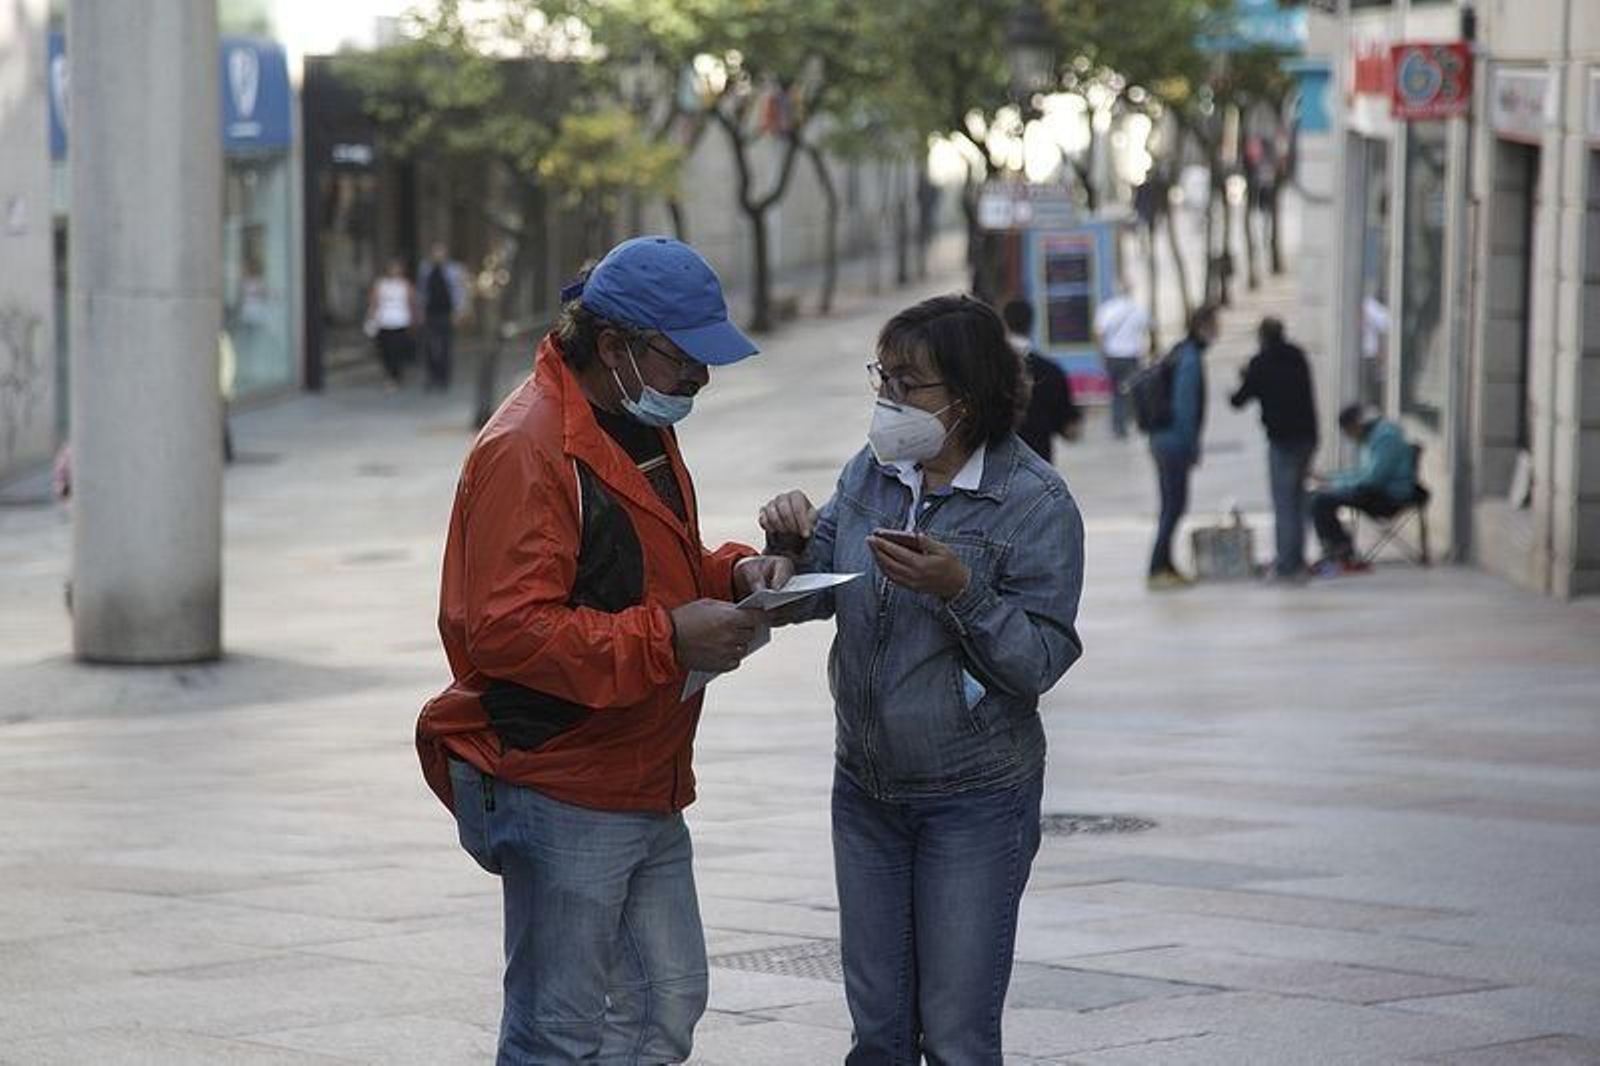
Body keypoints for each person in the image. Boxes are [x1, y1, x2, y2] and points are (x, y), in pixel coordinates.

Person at [414, 236, 791, 1064]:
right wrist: (668, 637)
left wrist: (735, 576)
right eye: (685, 358)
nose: (700, 378)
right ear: (615, 346)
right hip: (565, 779)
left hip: (641, 768)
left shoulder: (625, 421)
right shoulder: (529, 447)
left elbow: (644, 567)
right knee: (559, 1029)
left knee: (663, 1005)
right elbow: (508, 630)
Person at [758, 294, 1085, 1066]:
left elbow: (1039, 660)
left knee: (958, 1036)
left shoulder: (1034, 502)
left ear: (966, 398)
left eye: (909, 384)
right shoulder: (871, 473)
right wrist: (782, 553)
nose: (888, 400)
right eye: (884, 378)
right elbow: (823, 580)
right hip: (867, 788)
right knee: (877, 1036)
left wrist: (959, 589)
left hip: (974, 801)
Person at [1229, 317, 1318, 580]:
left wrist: (1245, 377)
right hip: (1307, 437)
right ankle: (1297, 558)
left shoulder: (1261, 363)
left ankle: (1287, 564)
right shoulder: (1297, 356)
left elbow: (1239, 399)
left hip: (1282, 440)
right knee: (1299, 500)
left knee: (1284, 502)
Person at [1147, 304, 1220, 590]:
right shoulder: (1190, 359)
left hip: (1163, 440)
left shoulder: (1181, 352)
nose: (1217, 331)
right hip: (1173, 443)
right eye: (1214, 324)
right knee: (1173, 506)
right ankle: (1157, 566)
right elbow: (1186, 408)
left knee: (1172, 505)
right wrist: (1190, 448)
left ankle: (1166, 564)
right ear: (1202, 326)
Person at [1309, 404, 1419, 573]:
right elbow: (1362, 474)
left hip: (1389, 496)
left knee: (1322, 500)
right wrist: (1330, 480)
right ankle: (1338, 549)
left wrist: (1334, 485)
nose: (1350, 439)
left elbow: (1373, 479)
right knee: (1318, 496)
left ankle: (1342, 552)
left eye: (1349, 433)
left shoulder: (1386, 438)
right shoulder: (1370, 439)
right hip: (1374, 491)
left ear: (1355, 426)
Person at [1002, 298, 1081, 465]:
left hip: (995, 469)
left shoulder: (988, 367)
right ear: (1031, 323)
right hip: (1039, 465)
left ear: (1004, 324)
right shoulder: (1050, 370)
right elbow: (1070, 432)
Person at [1092, 285, 1151, 439]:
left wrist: (1101, 355)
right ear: (1130, 291)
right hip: (1132, 356)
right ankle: (1130, 420)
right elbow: (1146, 329)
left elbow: (1099, 334)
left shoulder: (1107, 308)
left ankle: (1118, 426)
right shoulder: (1138, 309)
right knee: (1132, 391)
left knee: (1116, 393)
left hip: (1113, 355)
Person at [420, 242, 469, 391]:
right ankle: (431, 376)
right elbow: (421, 290)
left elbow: (459, 291)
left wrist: (459, 311)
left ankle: (443, 378)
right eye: (436, 252)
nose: (438, 255)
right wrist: (420, 310)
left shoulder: (454, 269)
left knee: (445, 346)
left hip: (446, 312)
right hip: (430, 312)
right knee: (429, 346)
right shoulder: (425, 268)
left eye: (441, 252)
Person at [366, 258, 418, 390]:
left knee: (397, 351)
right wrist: (371, 319)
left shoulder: (405, 285)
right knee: (385, 351)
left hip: (400, 322)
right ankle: (389, 375)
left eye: (397, 268)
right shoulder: (381, 284)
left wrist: (414, 321)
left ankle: (396, 376)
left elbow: (412, 303)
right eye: (392, 268)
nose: (394, 271)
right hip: (384, 322)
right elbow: (374, 302)